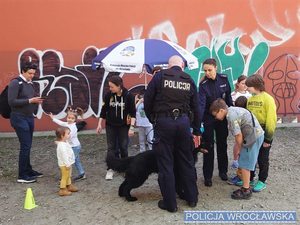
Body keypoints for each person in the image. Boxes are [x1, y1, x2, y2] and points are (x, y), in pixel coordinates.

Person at [144, 55, 201, 212]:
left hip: (164, 123)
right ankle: (192, 198)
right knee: (187, 161)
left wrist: (153, 120)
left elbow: (147, 101)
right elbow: (196, 107)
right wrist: (196, 130)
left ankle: (170, 204)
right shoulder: (188, 79)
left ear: (169, 66)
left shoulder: (160, 76)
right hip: (183, 124)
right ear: (182, 65)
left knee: (166, 163)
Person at [210, 98, 264, 199]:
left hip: (252, 137)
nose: (216, 118)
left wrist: (239, 150)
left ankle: (246, 190)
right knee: (246, 162)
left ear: (221, 110)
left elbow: (238, 135)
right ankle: (246, 185)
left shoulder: (231, 116)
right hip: (256, 134)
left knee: (245, 164)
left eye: (216, 115)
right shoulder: (232, 110)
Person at [198, 58, 233, 187]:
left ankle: (223, 171)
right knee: (208, 147)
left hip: (222, 118)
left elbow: (228, 98)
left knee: (222, 145)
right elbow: (201, 105)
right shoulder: (203, 85)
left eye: (210, 70)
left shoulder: (224, 79)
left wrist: (231, 115)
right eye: (205, 70)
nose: (207, 73)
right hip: (208, 118)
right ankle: (208, 176)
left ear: (216, 68)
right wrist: (198, 124)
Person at [8, 61, 45, 183]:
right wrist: (30, 101)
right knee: (25, 146)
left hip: (29, 117)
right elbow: (12, 102)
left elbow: (29, 99)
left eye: (33, 73)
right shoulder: (15, 83)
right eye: (30, 73)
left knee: (27, 145)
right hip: (19, 118)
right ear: (23, 71)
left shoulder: (29, 83)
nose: (32, 76)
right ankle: (22, 175)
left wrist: (36, 101)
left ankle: (28, 170)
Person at [96, 76, 136, 180]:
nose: (110, 88)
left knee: (123, 147)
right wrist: (99, 124)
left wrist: (131, 127)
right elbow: (103, 110)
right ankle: (111, 168)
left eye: (112, 87)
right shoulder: (108, 95)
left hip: (123, 126)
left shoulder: (129, 96)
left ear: (119, 86)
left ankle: (125, 168)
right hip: (110, 125)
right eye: (109, 86)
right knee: (111, 147)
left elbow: (133, 113)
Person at [245, 74, 277, 192]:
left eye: (249, 86)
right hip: (252, 132)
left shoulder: (268, 99)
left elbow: (271, 119)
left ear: (256, 86)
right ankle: (251, 178)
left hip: (264, 131)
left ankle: (262, 180)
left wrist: (268, 138)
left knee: (262, 158)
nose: (247, 88)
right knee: (251, 156)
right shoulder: (250, 99)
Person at [49, 106, 86, 181]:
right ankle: (81, 173)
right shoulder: (67, 124)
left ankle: (67, 176)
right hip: (72, 146)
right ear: (67, 117)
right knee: (76, 160)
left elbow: (68, 137)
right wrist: (53, 118)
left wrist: (59, 142)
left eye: (72, 118)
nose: (70, 119)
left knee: (69, 161)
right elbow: (61, 122)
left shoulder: (73, 127)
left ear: (75, 120)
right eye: (69, 117)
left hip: (75, 146)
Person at [55, 126, 78, 196]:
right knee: (64, 176)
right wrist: (67, 164)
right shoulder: (62, 146)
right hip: (65, 164)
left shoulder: (65, 142)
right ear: (62, 136)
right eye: (68, 134)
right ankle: (62, 189)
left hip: (68, 163)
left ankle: (69, 185)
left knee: (68, 175)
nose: (69, 135)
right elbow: (64, 156)